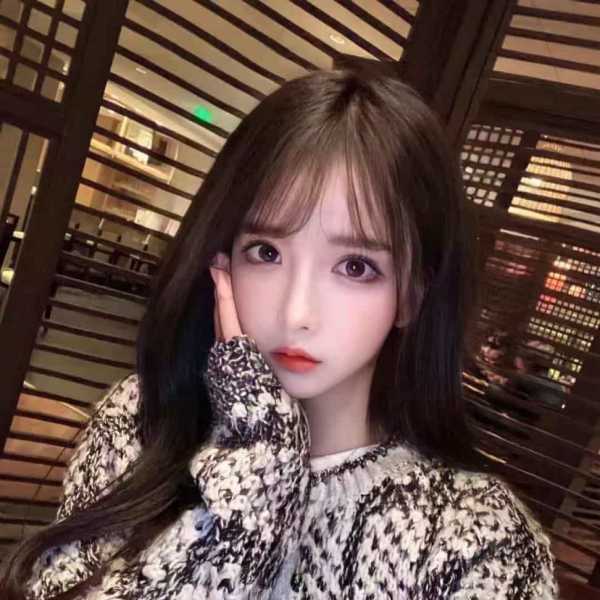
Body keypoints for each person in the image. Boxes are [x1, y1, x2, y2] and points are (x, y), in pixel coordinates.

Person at [0, 69, 557, 599]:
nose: (297, 312)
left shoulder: (481, 540)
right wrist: (259, 463)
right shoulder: (140, 419)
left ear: (411, 295)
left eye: (356, 266)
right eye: (266, 253)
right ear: (221, 260)